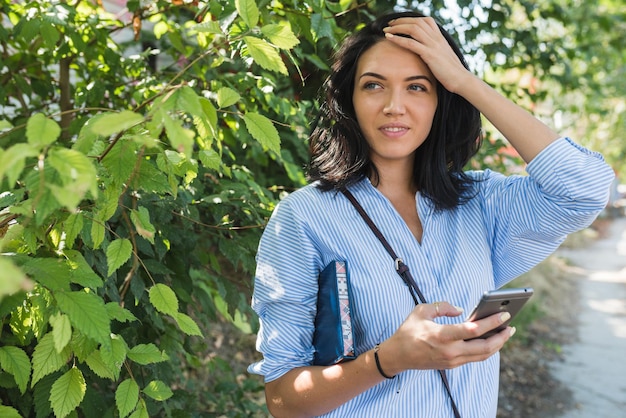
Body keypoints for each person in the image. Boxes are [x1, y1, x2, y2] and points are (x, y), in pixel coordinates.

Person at [247, 10, 614, 418]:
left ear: (442, 101)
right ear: (349, 99)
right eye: (373, 86)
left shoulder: (480, 204)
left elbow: (584, 190)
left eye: (418, 87)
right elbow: (282, 399)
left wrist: (465, 82)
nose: (394, 106)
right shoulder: (303, 219)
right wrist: (387, 360)